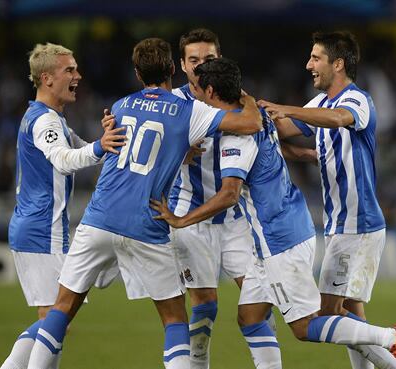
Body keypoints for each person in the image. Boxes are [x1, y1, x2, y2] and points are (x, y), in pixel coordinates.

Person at [151, 57, 396, 369]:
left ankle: (390, 337)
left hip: (279, 239)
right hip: (288, 226)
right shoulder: (255, 116)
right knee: (250, 317)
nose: (196, 95)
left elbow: (229, 194)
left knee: (305, 327)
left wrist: (181, 219)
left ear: (211, 91)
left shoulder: (234, 136)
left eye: (199, 90)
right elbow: (269, 143)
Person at [25, 37, 263, 369]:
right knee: (175, 320)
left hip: (98, 219)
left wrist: (181, 151)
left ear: (137, 74)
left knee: (61, 310)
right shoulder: (188, 110)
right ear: (171, 68)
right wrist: (246, 97)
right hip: (146, 223)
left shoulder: (120, 107)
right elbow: (251, 123)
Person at [258, 31, 396, 369]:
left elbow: (338, 119)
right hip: (343, 224)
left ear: (337, 63)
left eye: (316, 58)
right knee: (351, 313)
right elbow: (283, 128)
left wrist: (283, 107)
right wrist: (245, 110)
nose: (308, 65)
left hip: (358, 225)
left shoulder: (356, 100)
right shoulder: (320, 104)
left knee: (328, 315)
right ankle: (395, 360)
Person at [0, 42, 126, 369]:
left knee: (57, 318)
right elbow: (65, 160)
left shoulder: (50, 118)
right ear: (47, 78)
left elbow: (80, 148)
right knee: (56, 317)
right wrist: (101, 147)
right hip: (42, 228)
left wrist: (104, 141)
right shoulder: (44, 121)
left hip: (41, 227)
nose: (78, 75)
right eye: (69, 70)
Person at [167, 28, 275, 369]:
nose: (200, 66)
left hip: (233, 217)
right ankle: (198, 363)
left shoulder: (238, 99)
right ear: (182, 65)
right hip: (191, 215)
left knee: (259, 298)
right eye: (194, 60)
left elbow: (259, 126)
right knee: (205, 304)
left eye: (208, 60)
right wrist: (177, 152)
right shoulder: (173, 105)